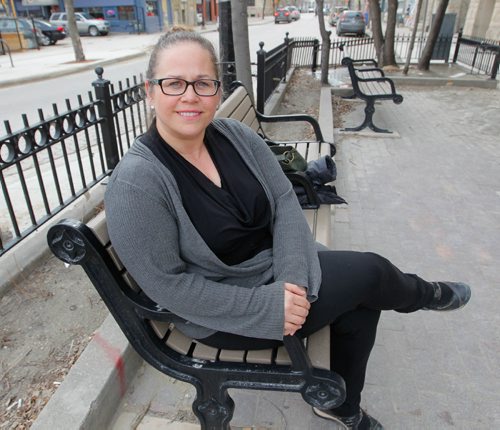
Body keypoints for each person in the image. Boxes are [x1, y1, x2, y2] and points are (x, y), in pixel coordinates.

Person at [104, 28, 471, 430]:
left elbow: (282, 199)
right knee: (372, 273)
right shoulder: (138, 183)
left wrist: (292, 279)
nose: (189, 95)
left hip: (281, 272)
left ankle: (340, 405)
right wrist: (267, 306)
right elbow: (169, 287)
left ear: (216, 89)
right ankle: (422, 294)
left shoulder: (233, 135)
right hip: (226, 311)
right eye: (173, 83)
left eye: (202, 83)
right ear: (150, 91)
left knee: (363, 300)